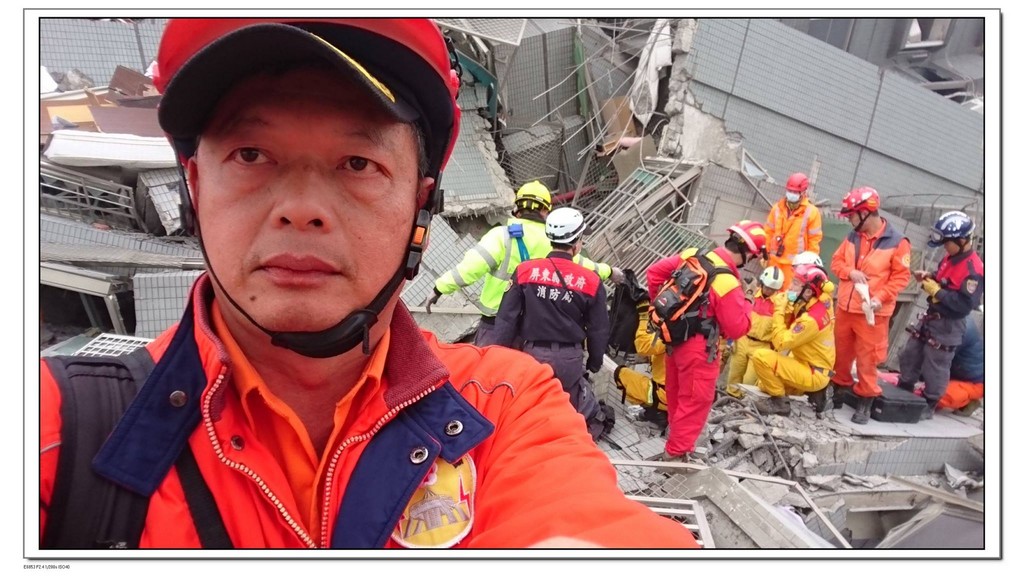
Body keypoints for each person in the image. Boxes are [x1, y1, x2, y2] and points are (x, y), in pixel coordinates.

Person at [39, 19, 696, 549]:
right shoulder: (58, 427)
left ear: (420, 207)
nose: (301, 208)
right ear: (194, 188)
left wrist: (444, 292)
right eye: (251, 154)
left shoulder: (502, 407)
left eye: (357, 163)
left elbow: (584, 524)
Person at [428, 181, 623, 346]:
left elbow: (469, 269)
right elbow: (585, 266)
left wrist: (439, 288)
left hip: (495, 324)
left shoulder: (502, 236)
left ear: (517, 209)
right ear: (546, 211)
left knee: (488, 375)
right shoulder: (555, 242)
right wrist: (610, 271)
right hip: (533, 331)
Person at [645, 221, 763, 462]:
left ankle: (675, 441)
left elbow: (654, 273)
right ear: (748, 253)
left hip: (674, 339)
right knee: (695, 402)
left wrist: (669, 314)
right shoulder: (727, 282)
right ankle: (675, 456)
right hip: (700, 349)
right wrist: (749, 300)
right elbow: (738, 328)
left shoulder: (693, 255)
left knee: (677, 394)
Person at [492, 207, 611, 440]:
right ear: (576, 243)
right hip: (569, 360)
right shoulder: (591, 281)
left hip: (532, 357)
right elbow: (598, 329)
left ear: (551, 238)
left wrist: (498, 354)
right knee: (564, 414)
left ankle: (527, 447)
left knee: (529, 410)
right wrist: (595, 362)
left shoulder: (525, 271)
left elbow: (506, 318)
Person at [828, 187, 911, 424]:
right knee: (841, 353)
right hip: (846, 307)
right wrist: (850, 272)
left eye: (852, 215)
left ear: (865, 213)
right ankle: (839, 389)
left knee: (868, 358)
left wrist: (879, 298)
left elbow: (901, 278)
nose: (849, 220)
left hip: (872, 312)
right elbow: (836, 263)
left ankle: (866, 400)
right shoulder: (852, 236)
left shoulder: (898, 242)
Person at [897, 211, 984, 420]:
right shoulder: (950, 257)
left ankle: (929, 402)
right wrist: (931, 277)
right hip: (932, 315)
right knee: (911, 352)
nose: (945, 247)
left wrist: (937, 292)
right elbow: (945, 278)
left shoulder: (973, 270)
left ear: (962, 240)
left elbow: (964, 304)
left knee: (936, 363)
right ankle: (904, 387)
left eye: (947, 243)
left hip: (949, 323)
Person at [750, 264, 837, 418]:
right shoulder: (820, 300)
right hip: (808, 363)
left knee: (761, 357)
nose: (790, 287)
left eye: (796, 283)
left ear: (808, 291)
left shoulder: (810, 320)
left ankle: (780, 403)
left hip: (813, 371)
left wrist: (779, 310)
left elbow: (781, 343)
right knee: (764, 384)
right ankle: (814, 392)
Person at [724, 265, 786, 399]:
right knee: (734, 375)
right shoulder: (750, 295)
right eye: (767, 287)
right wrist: (730, 339)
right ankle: (729, 399)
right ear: (762, 283)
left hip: (762, 346)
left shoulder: (779, 304)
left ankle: (743, 402)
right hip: (743, 339)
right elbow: (737, 316)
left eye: (773, 289)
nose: (769, 291)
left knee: (749, 381)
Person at [614, 296, 669, 431]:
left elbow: (642, 346)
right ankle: (661, 411)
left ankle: (657, 413)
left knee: (620, 374)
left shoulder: (672, 334)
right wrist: (648, 359)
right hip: (684, 400)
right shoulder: (700, 340)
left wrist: (643, 316)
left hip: (665, 396)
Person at [764, 172, 824, 290]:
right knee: (770, 293)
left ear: (803, 192)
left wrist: (809, 266)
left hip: (795, 266)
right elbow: (768, 232)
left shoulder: (812, 212)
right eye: (790, 191)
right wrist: (765, 253)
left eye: (795, 192)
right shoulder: (777, 208)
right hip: (774, 261)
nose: (791, 194)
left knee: (788, 295)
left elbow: (814, 241)